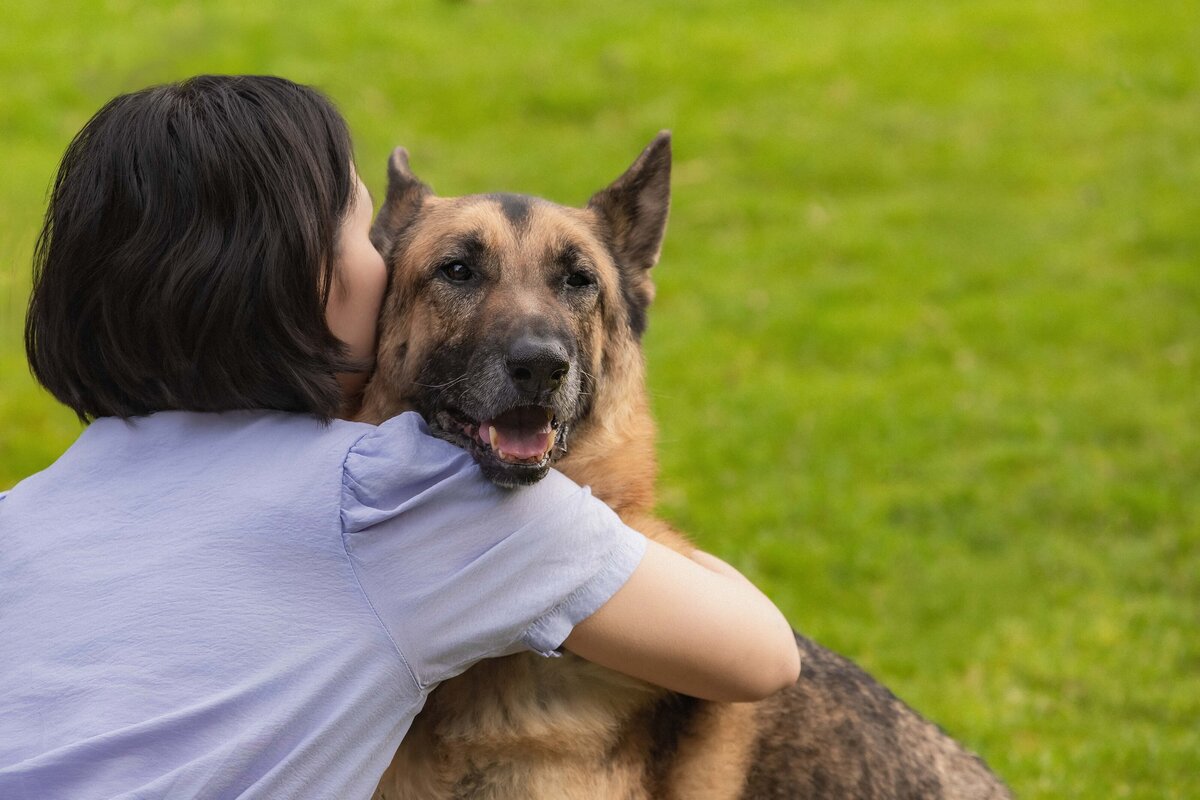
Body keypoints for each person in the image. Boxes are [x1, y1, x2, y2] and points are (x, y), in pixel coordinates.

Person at [0, 75, 799, 799]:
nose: (382, 257)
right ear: (301, 283)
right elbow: (761, 655)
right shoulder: (398, 494)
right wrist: (608, 532)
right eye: (364, 229)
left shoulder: (24, 517)